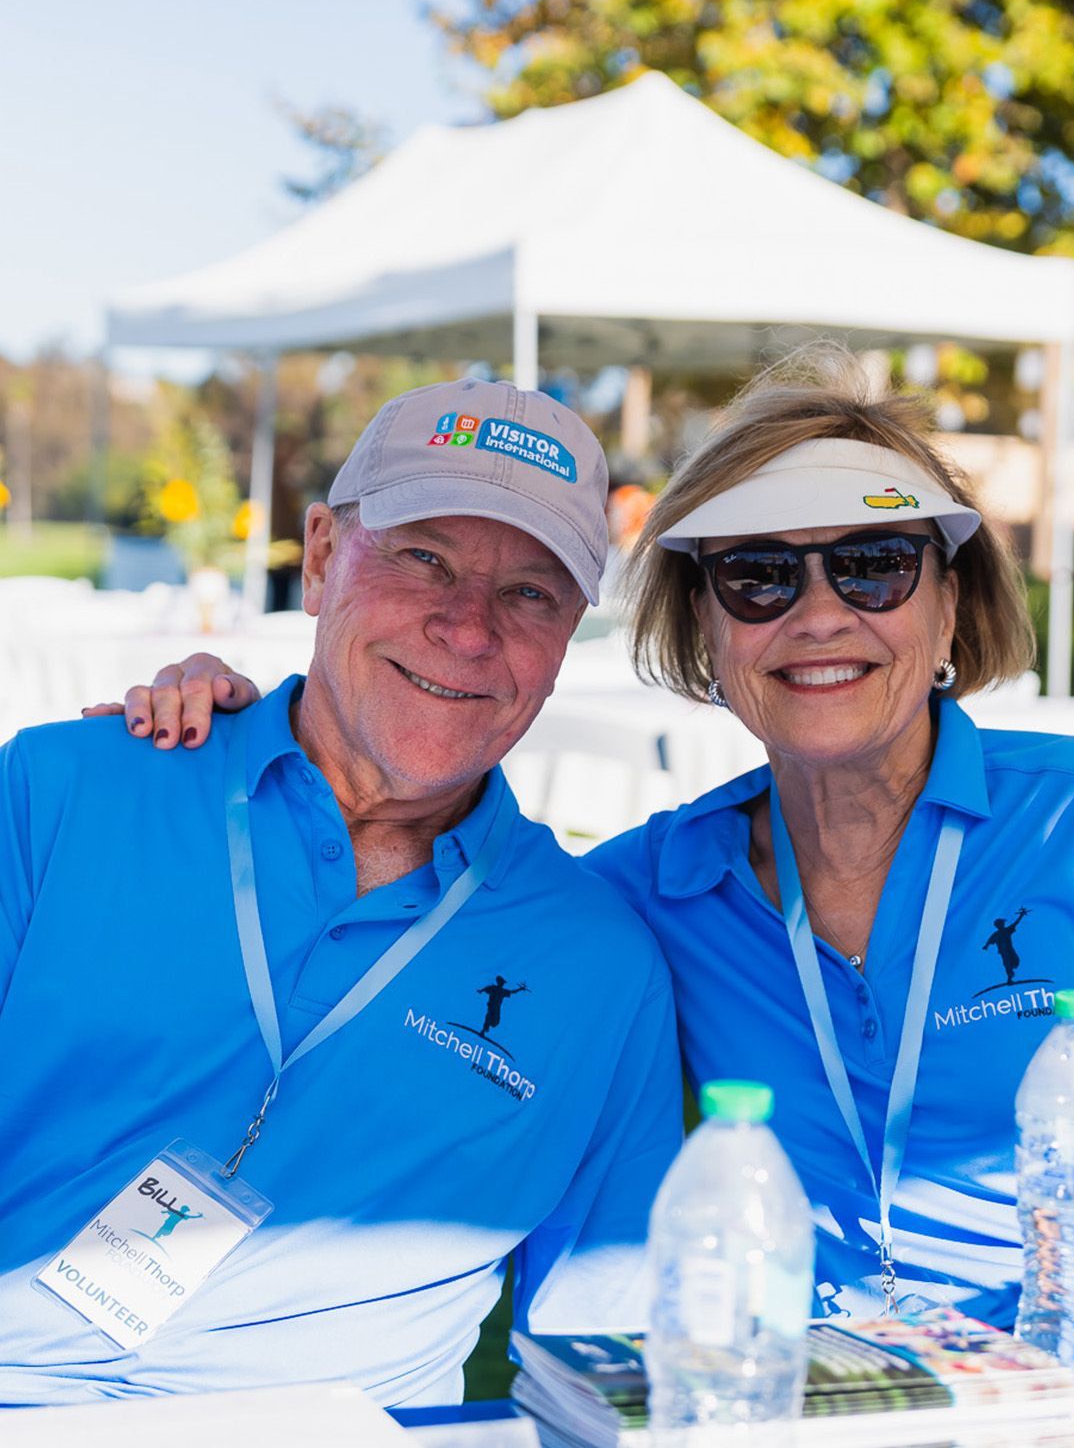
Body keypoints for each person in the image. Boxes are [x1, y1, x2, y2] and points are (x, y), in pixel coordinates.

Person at [144, 353, 1074, 1334]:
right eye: (758, 577)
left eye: (874, 565)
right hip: (825, 1392)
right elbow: (403, 896)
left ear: (949, 601)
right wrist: (230, 734)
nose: (819, 616)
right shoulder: (647, 893)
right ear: (706, 628)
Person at [0, 378, 681, 1409]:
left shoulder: (601, 965)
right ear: (321, 559)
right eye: (423, 559)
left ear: (572, 631)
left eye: (530, 593)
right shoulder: (64, 791)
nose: (466, 628)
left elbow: (608, 1348)